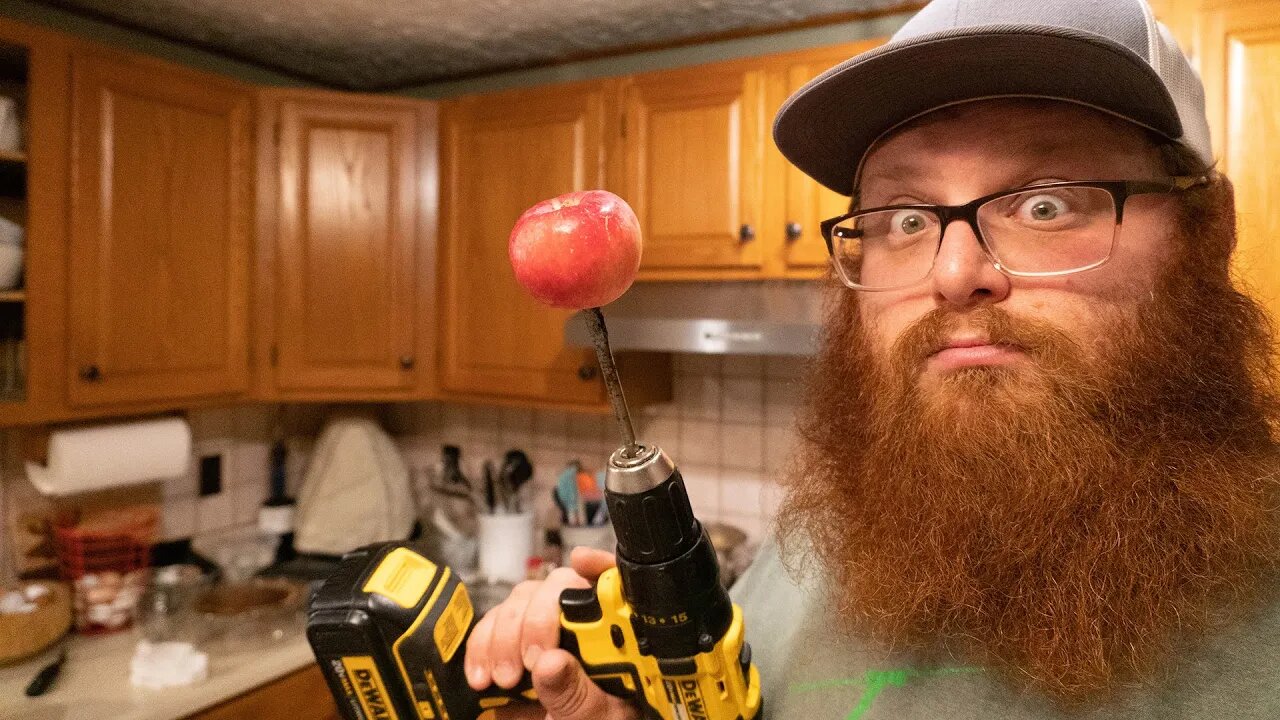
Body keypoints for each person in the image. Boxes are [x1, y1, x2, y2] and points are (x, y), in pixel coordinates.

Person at [463, 0, 1280, 717]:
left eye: (1046, 203)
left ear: (1207, 234)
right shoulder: (811, 556)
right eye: (905, 219)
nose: (957, 275)